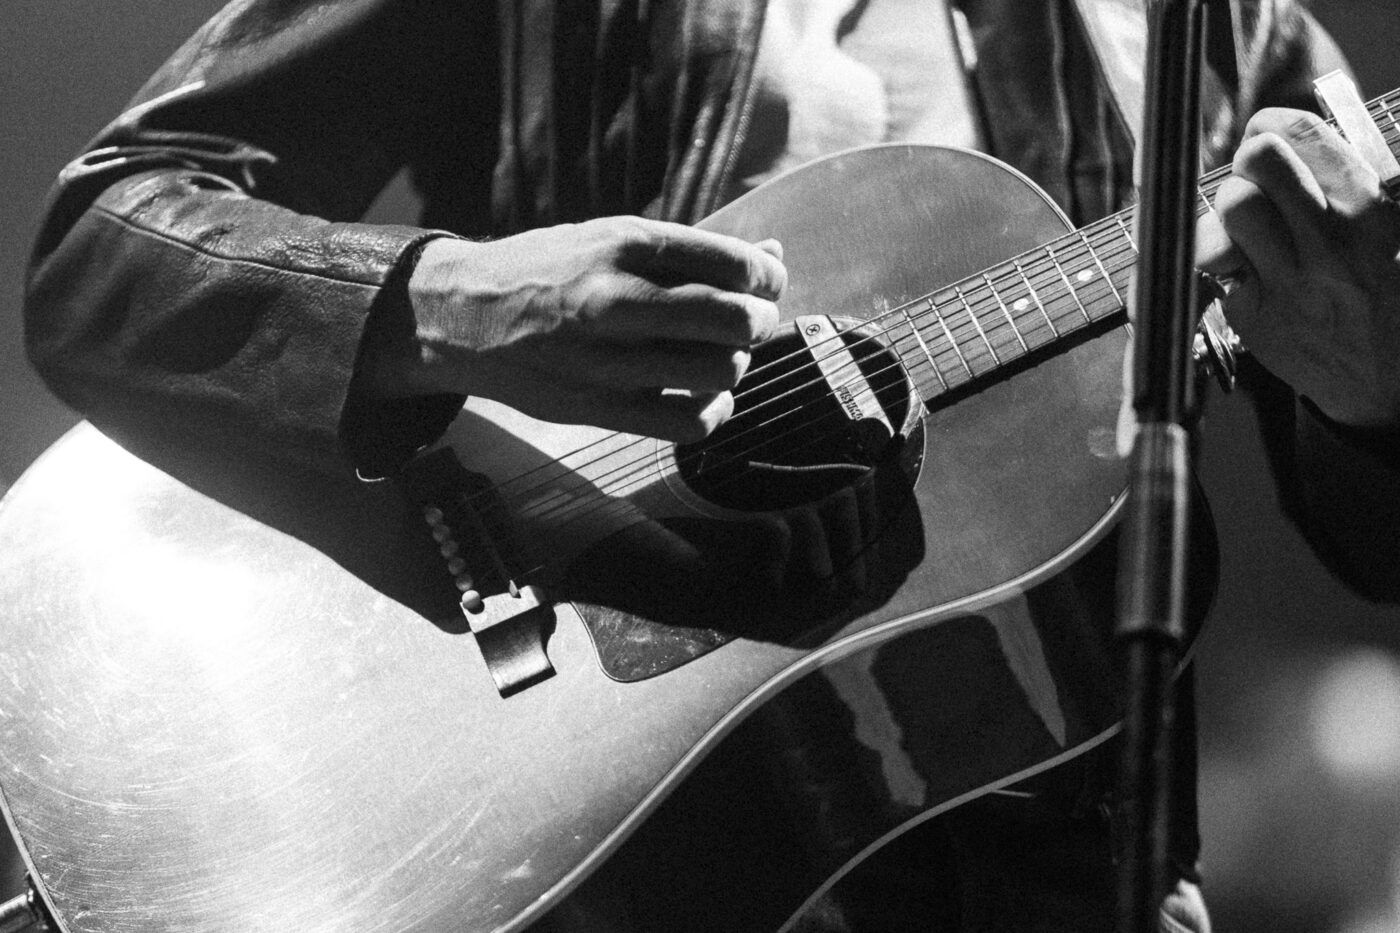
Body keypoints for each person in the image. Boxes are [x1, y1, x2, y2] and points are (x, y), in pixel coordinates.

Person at [21, 0, 1400, 930]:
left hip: (1068, 875)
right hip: (580, 837)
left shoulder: (1219, 30)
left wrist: (1374, 390)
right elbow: (103, 244)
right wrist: (452, 299)